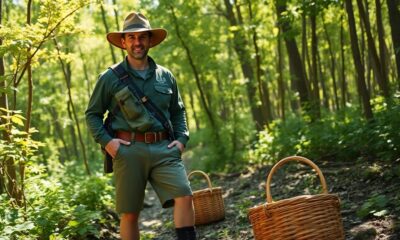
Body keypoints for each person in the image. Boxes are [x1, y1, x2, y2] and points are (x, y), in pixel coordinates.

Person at [85, 12, 196, 240]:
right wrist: (109, 143)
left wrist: (182, 140)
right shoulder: (109, 78)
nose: (137, 43)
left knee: (184, 194)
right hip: (128, 150)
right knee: (130, 214)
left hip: (164, 149)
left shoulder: (165, 76)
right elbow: (93, 115)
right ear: (124, 42)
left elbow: (178, 111)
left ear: (149, 40)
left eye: (142, 37)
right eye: (132, 38)